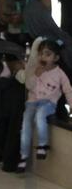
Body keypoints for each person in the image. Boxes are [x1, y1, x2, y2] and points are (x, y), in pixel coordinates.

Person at [17, 37, 72, 172]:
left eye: (48, 54)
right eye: (41, 54)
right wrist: (36, 75)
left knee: (40, 115)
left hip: (48, 103)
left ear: (56, 58)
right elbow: (29, 86)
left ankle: (42, 145)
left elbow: (68, 90)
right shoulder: (37, 70)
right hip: (31, 102)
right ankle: (23, 156)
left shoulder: (59, 74)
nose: (43, 57)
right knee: (25, 125)